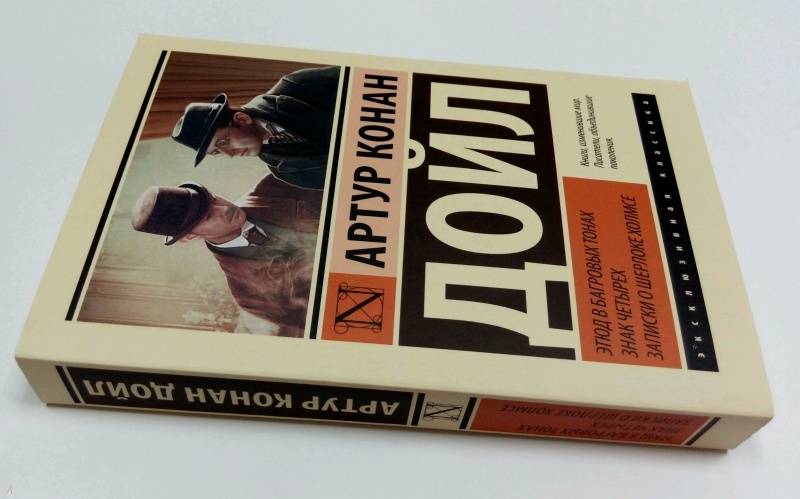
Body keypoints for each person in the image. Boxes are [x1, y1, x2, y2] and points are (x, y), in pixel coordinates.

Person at [131, 174, 322, 337]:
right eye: (208, 216)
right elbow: (312, 326)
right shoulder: (248, 294)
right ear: (189, 237)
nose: (224, 209)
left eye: (213, 200)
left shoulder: (275, 186)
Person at [171, 66, 340, 190]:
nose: (230, 154)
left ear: (241, 118)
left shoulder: (297, 85)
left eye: (223, 142)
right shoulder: (285, 172)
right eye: (216, 152)